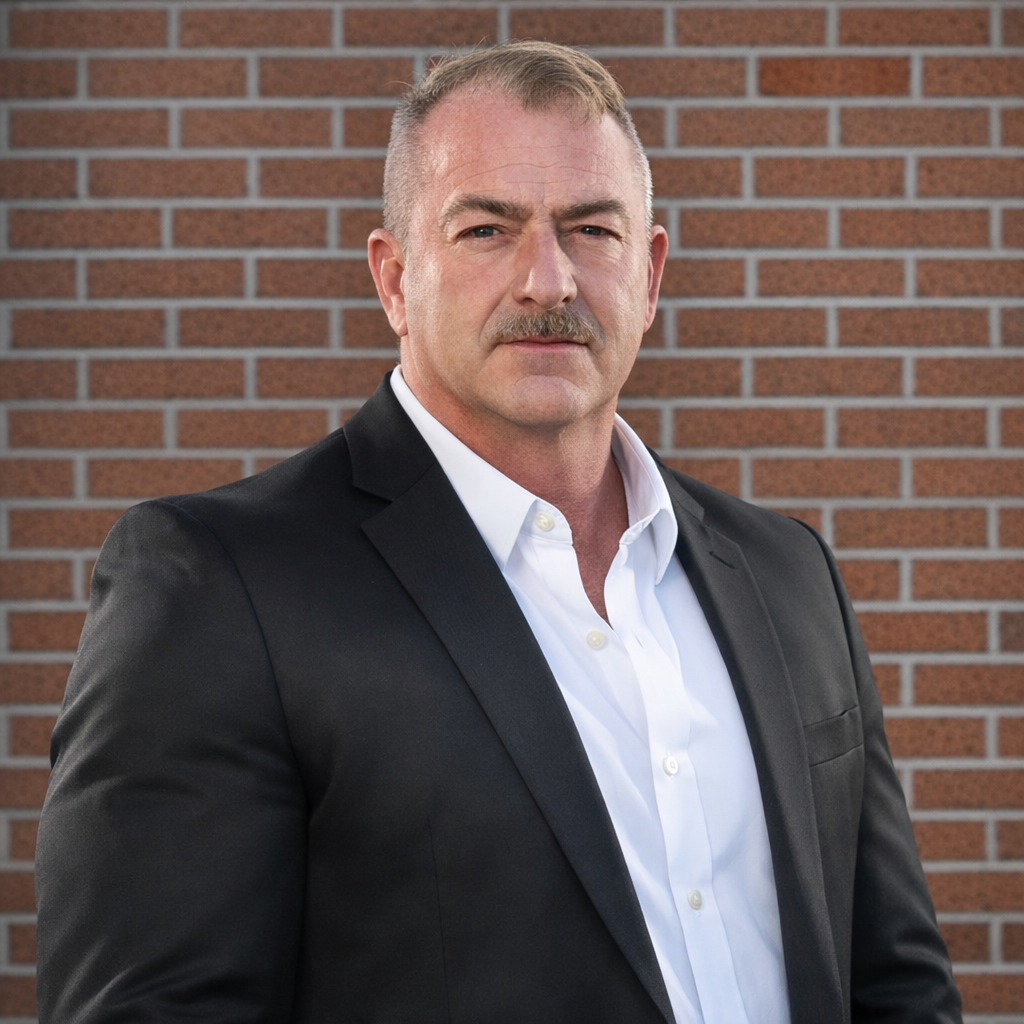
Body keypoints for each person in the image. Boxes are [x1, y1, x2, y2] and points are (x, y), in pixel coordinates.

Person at [35, 41, 961, 1024]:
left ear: (650, 274)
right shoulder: (220, 587)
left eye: (591, 229)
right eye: (486, 229)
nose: (547, 281)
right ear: (394, 280)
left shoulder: (787, 575)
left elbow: (897, 985)